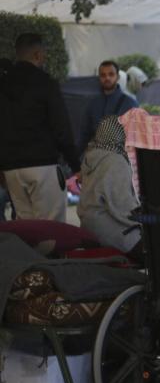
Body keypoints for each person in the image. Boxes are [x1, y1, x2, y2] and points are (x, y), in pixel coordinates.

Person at [0, 33, 80, 222]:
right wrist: (76, 166)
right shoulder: (45, 83)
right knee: (51, 230)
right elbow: (61, 128)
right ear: (37, 55)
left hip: (11, 170)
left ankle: (27, 254)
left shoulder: (3, 85)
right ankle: (48, 254)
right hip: (42, 165)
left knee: (25, 228)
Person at [76, 116, 142, 259]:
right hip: (111, 232)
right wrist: (144, 220)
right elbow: (123, 208)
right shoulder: (115, 161)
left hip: (90, 228)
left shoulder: (92, 156)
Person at [79, 60, 139, 152]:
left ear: (117, 77)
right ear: (99, 78)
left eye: (111, 74)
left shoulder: (130, 104)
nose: (107, 78)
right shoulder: (93, 104)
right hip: (97, 160)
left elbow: (137, 137)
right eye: (103, 75)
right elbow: (84, 135)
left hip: (122, 161)